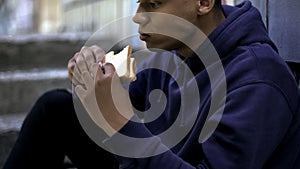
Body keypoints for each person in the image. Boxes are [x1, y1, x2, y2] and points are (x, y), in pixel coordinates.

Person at [4, 0, 300, 168]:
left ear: (203, 2)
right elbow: (122, 102)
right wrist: (92, 81)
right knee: (56, 109)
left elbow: (122, 121)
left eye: (154, 3)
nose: (137, 16)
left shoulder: (258, 79)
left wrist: (120, 123)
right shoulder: (175, 55)